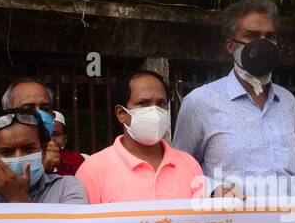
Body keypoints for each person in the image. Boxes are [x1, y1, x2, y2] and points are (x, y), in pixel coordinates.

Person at [172, 0, 295, 201]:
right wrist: (214, 189)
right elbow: (179, 170)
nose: (263, 44)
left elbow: (288, 173)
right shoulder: (200, 102)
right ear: (230, 45)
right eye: (251, 36)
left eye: (269, 36)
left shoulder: (287, 101)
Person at [77, 70, 205, 203]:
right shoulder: (94, 170)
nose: (155, 112)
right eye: (144, 103)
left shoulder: (190, 165)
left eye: (161, 104)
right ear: (121, 113)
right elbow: (84, 222)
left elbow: (201, 221)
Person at [0, 108, 86, 203]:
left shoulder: (67, 189)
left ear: (43, 149)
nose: (18, 158)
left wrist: (18, 196)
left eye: (28, 149)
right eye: (6, 152)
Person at [50, 110, 86, 176]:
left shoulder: (76, 159)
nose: (51, 141)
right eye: (45, 135)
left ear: (65, 138)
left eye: (57, 134)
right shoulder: (32, 162)